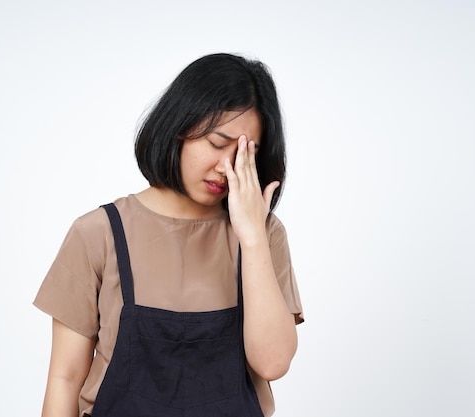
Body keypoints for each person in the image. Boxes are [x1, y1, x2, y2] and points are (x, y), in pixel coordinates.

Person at [34, 53, 304, 417]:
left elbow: (272, 364)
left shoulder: (263, 235)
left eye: (243, 154)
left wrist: (252, 237)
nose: (226, 167)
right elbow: (65, 378)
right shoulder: (98, 233)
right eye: (217, 143)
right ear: (180, 127)